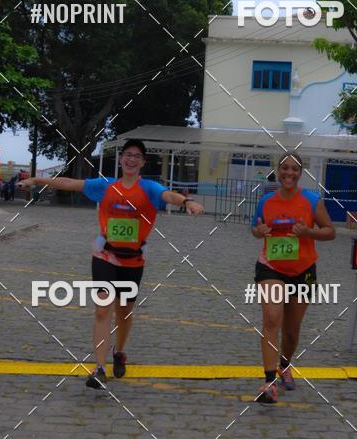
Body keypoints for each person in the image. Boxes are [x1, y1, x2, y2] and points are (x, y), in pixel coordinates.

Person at [19, 139, 204, 391]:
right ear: (120, 159)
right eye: (127, 155)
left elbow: (167, 195)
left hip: (134, 258)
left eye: (136, 156)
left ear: (142, 162)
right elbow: (71, 184)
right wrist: (38, 181)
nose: (131, 159)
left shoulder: (148, 187)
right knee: (102, 309)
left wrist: (186, 202)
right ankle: (99, 368)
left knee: (124, 312)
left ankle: (120, 351)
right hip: (105, 254)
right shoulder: (106, 186)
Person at [250, 154, 335, 404]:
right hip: (271, 268)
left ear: (301, 172)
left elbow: (330, 231)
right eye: (285, 168)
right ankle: (268, 383)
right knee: (271, 319)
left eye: (294, 169)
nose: (289, 173)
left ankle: (285, 364)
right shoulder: (266, 201)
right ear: (278, 170)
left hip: (303, 271)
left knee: (291, 330)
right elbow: (255, 229)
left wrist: (309, 232)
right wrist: (259, 231)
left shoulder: (311, 200)